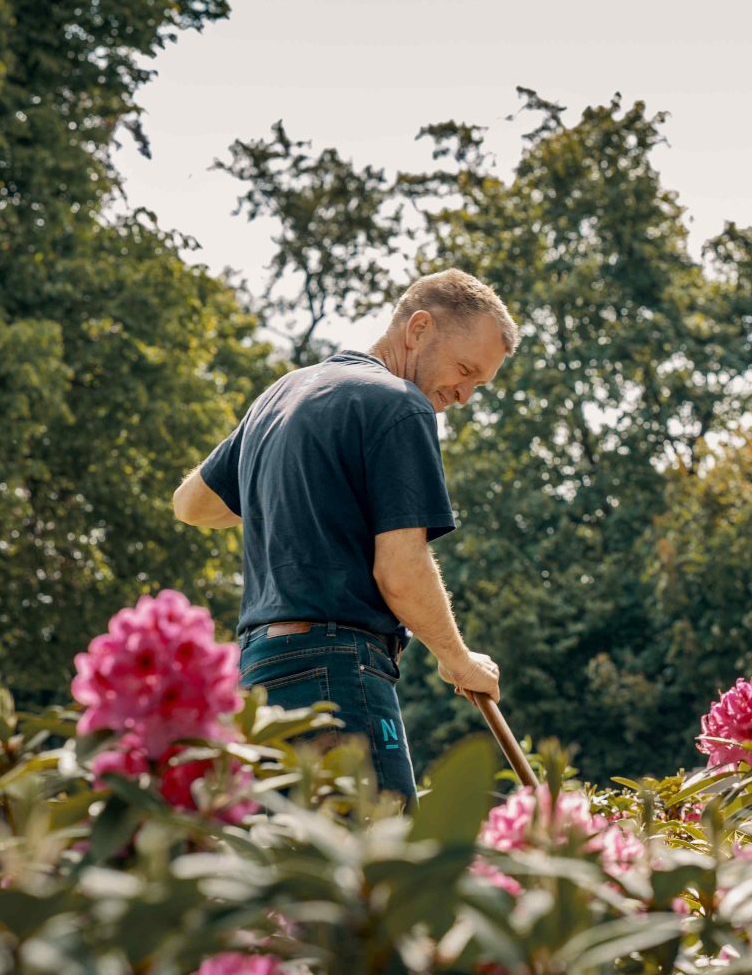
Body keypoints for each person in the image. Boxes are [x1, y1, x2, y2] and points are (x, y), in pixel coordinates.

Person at [171, 269, 517, 804]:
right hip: (338, 669)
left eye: (480, 383)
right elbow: (400, 573)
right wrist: (459, 659)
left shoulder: (282, 394)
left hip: (258, 677)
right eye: (465, 370)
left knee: (292, 872)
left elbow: (191, 503)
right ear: (418, 328)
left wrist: (293, 477)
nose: (466, 394)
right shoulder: (400, 403)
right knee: (376, 865)